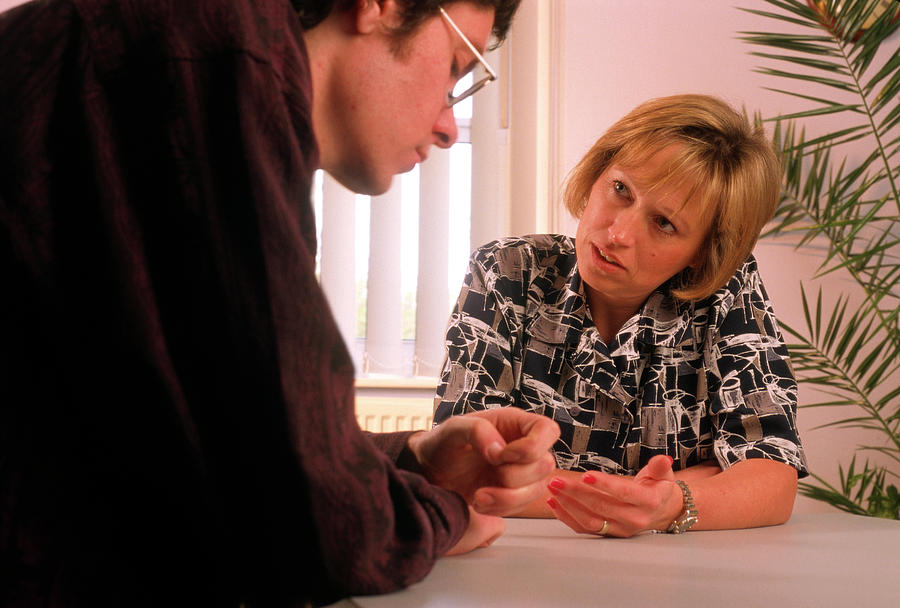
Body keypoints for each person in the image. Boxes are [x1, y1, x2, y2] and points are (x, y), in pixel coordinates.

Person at [0, 0, 560, 605]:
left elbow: (219, 439)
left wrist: (416, 461)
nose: (451, 127)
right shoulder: (212, 63)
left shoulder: (208, 65)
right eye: (455, 66)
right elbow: (321, 532)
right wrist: (438, 514)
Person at [434, 94, 809, 538]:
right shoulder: (507, 271)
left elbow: (771, 479)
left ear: (703, 253)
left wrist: (673, 502)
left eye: (664, 223)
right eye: (621, 190)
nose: (618, 234)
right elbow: (464, 470)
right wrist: (677, 488)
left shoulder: (727, 291)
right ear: (597, 174)